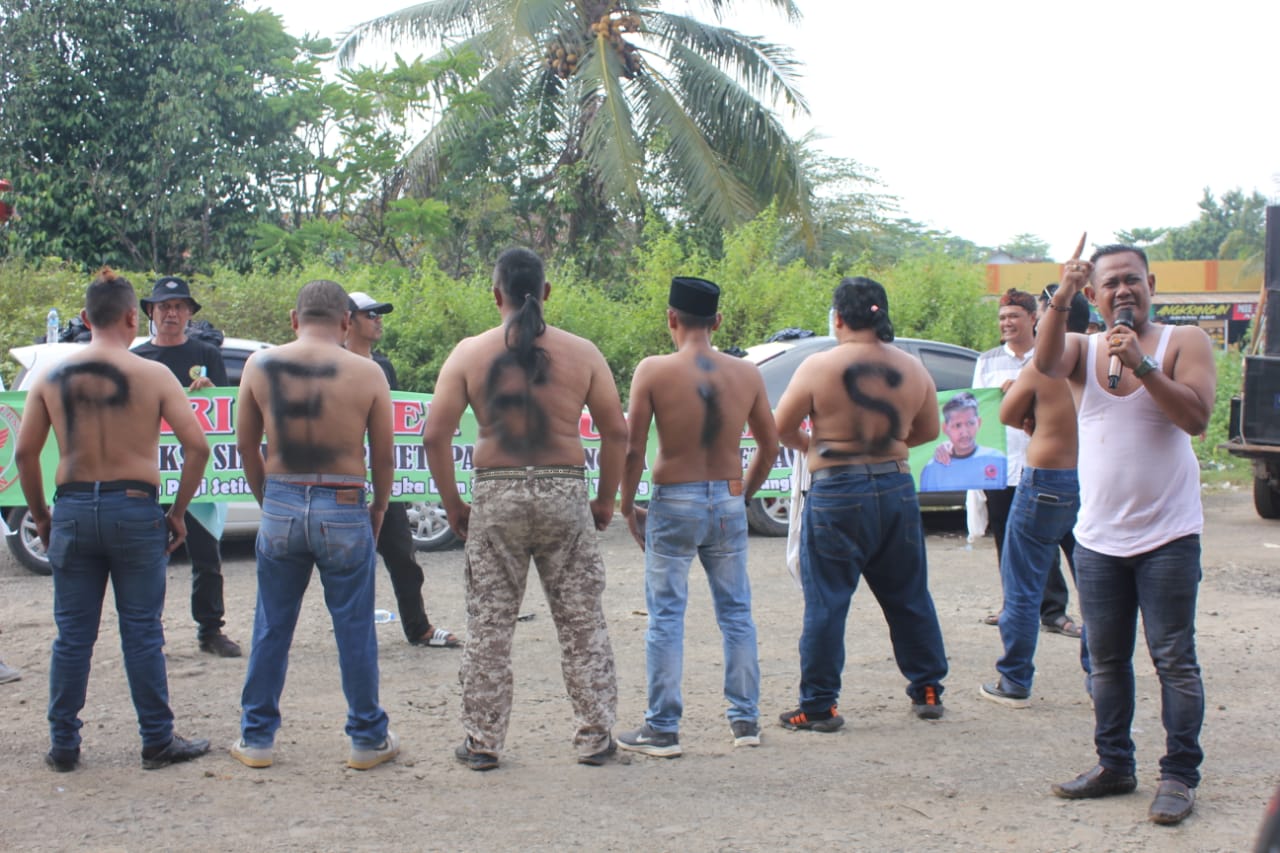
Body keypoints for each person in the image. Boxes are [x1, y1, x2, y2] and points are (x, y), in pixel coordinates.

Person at [423, 247, 626, 771]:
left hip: (497, 491)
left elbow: (434, 435)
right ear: (547, 292)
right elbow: (616, 431)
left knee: (489, 625)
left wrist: (454, 505)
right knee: (582, 624)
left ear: (496, 294)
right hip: (564, 490)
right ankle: (596, 736)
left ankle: (483, 742)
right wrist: (606, 498)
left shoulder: (469, 353)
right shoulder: (582, 352)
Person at [1037, 237, 1215, 826]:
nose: (1122, 291)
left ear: (1151, 286)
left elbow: (1195, 419)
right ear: (1094, 293)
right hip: (1098, 540)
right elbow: (1042, 362)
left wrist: (1141, 363)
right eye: (1109, 283)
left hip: (1168, 537)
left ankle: (1179, 776)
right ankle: (1114, 764)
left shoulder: (1182, 342)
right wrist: (1061, 293)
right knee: (1106, 662)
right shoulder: (1085, 350)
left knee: (1174, 660)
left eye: (1132, 280)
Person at [14, 266, 212, 772]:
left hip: (75, 506)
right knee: (142, 631)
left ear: (84, 318)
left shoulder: (52, 378)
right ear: (133, 316)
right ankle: (156, 739)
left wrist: (41, 516)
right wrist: (178, 512)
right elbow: (197, 447)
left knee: (73, 635)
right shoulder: (154, 375)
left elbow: (24, 455)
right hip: (133, 507)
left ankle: (64, 745)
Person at [232, 279, 399, 771]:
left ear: (293, 318)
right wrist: (379, 507)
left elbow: (246, 446)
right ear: (346, 322)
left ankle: (257, 739)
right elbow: (384, 454)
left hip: (282, 495)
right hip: (343, 499)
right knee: (354, 628)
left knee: (272, 625)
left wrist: (271, 498)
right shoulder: (367, 373)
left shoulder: (259, 366)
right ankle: (367, 740)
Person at [773, 276, 949, 729]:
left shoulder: (818, 366)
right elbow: (929, 431)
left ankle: (818, 707)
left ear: (837, 317)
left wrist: (812, 446)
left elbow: (782, 426)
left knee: (828, 602)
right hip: (895, 486)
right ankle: (927, 688)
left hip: (838, 489)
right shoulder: (913, 368)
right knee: (909, 594)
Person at [615, 276, 779, 757]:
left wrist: (628, 505)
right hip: (727, 496)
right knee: (736, 613)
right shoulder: (746, 374)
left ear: (671, 319)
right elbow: (769, 445)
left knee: (666, 615)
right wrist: (743, 494)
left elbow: (633, 447)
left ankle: (663, 728)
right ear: (718, 322)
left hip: (673, 498)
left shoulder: (653, 370)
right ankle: (745, 721)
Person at [980, 289, 1091, 708]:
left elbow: (1007, 414)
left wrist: (1030, 415)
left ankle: (1015, 679)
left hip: (1044, 478)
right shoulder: (1106, 361)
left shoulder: (1044, 364)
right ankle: (1100, 678)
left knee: (1022, 584)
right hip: (1092, 481)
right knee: (1095, 585)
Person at [132, 276, 240, 658]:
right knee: (146, 561)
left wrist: (210, 390)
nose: (171, 313)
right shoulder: (136, 358)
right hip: (148, 473)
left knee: (207, 558)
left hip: (197, 477)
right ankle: (149, 634)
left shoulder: (206, 355)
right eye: (164, 306)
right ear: (150, 312)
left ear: (190, 313)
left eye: (179, 306)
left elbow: (224, 411)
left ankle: (210, 630)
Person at [344, 291, 459, 649]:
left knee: (403, 557)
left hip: (381, 481)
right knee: (346, 565)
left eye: (380, 314)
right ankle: (353, 632)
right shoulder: (333, 365)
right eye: (370, 314)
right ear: (347, 320)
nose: (378, 320)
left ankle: (418, 628)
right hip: (342, 480)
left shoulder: (383, 366)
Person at [918, 392, 1006, 491]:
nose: (964, 432)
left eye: (970, 423)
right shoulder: (932, 470)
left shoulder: (997, 459)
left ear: (979, 423)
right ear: (945, 428)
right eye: (957, 425)